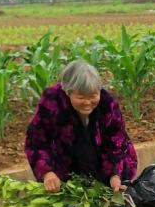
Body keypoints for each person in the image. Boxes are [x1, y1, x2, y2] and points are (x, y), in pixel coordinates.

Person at [25, 60, 137, 192]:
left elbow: (116, 142)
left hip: (102, 163)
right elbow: (36, 140)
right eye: (81, 97)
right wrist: (47, 172)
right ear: (68, 92)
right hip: (64, 164)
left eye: (93, 96)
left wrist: (114, 175)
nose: (87, 102)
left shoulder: (107, 103)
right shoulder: (52, 100)